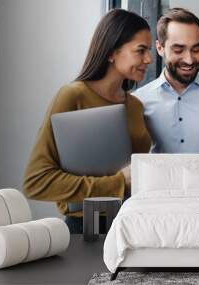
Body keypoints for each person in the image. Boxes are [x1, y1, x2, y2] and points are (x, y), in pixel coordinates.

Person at [23, 9, 152, 233]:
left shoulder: (136, 106)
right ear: (112, 52)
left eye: (149, 51)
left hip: (132, 225)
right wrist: (117, 183)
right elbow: (37, 181)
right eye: (141, 51)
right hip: (86, 229)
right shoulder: (72, 96)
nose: (149, 59)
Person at [133, 8, 199, 153]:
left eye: (196, 49)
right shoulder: (138, 101)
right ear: (160, 48)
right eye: (178, 50)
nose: (189, 60)